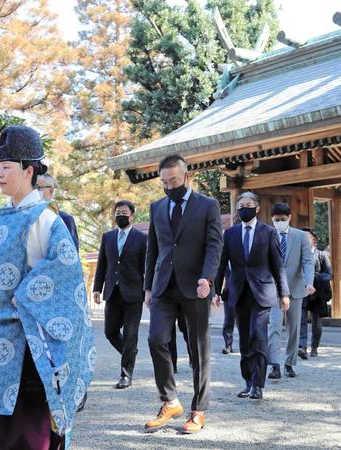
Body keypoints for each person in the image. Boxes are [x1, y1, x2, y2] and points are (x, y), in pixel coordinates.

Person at [0, 125, 95, 450]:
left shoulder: (45, 219)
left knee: (21, 436)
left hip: (24, 349)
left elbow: (65, 273)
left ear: (28, 170)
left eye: (6, 167)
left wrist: (26, 294)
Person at [144, 154, 222, 434]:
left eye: (173, 181)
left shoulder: (208, 206)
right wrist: (148, 287)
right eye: (164, 182)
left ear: (186, 177)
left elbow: (215, 245)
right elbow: (153, 249)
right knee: (156, 339)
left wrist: (208, 277)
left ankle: (198, 411)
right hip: (164, 286)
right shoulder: (157, 207)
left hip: (196, 286)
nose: (169, 186)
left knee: (198, 351)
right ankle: (170, 401)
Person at [215, 192, 290, 400]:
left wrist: (284, 293)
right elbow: (221, 264)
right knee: (245, 340)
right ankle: (248, 381)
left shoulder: (268, 232)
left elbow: (278, 265)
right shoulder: (230, 234)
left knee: (258, 335)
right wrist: (215, 291)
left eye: (248, 205)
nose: (243, 208)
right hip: (238, 292)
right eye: (240, 205)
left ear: (257, 208)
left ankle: (258, 385)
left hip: (262, 293)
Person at [93, 200, 146, 389]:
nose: (120, 216)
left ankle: (126, 375)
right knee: (110, 332)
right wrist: (97, 288)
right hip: (113, 293)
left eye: (124, 213)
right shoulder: (107, 237)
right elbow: (102, 265)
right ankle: (130, 352)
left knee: (131, 335)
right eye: (118, 213)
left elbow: (145, 268)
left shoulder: (142, 238)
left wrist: (147, 291)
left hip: (134, 294)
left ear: (132, 216)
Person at [267, 204, 315, 380]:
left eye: (283, 219)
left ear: (290, 217)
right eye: (276, 220)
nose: (279, 222)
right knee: (274, 326)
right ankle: (274, 365)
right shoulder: (267, 234)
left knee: (293, 328)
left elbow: (307, 262)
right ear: (272, 220)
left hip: (295, 287)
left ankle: (289, 363)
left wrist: (309, 282)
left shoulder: (300, 236)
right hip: (273, 289)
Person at [298, 228, 332, 358]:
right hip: (301, 292)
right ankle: (302, 347)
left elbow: (329, 274)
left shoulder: (322, 255)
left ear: (314, 240)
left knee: (317, 324)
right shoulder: (298, 255)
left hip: (317, 294)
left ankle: (314, 347)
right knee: (301, 321)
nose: (304, 239)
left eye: (307, 236)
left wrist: (313, 277)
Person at [35, 173, 79, 252]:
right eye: (31, 188)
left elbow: (71, 256)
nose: (33, 191)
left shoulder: (65, 219)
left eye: (37, 187)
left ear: (51, 190)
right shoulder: (26, 217)